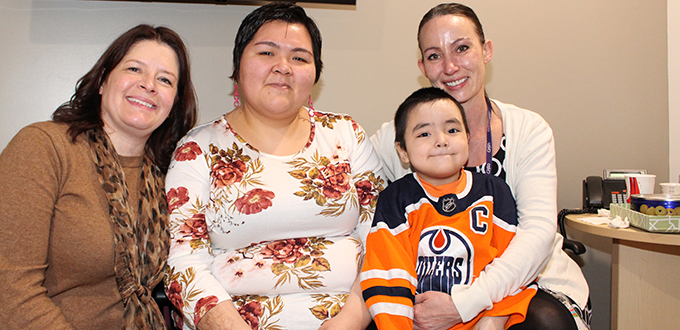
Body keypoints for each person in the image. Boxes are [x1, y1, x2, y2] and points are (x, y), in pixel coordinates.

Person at [164, 2, 385, 330]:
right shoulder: (198, 149)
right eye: (267, 53)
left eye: (299, 57)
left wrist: (353, 317)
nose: (283, 67)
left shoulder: (346, 134)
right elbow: (183, 262)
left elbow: (383, 238)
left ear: (315, 73)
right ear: (238, 65)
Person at [370, 3, 590, 330]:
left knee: (544, 324)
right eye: (434, 56)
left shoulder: (528, 130)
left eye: (462, 48)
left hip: (526, 279)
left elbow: (538, 233)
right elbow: (347, 182)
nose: (450, 66)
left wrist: (467, 303)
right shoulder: (399, 136)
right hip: (434, 282)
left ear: (486, 51)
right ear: (422, 66)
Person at [0, 24, 197, 330]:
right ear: (103, 81)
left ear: (173, 104)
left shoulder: (169, 177)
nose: (149, 85)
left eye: (165, 79)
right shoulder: (44, 147)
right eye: (134, 69)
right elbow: (15, 292)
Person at [362, 87, 537, 330]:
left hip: (482, 319)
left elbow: (516, 268)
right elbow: (387, 273)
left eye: (452, 130)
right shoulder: (396, 200)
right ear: (403, 151)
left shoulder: (495, 194)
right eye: (424, 134)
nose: (441, 140)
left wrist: (493, 319)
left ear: (468, 138)